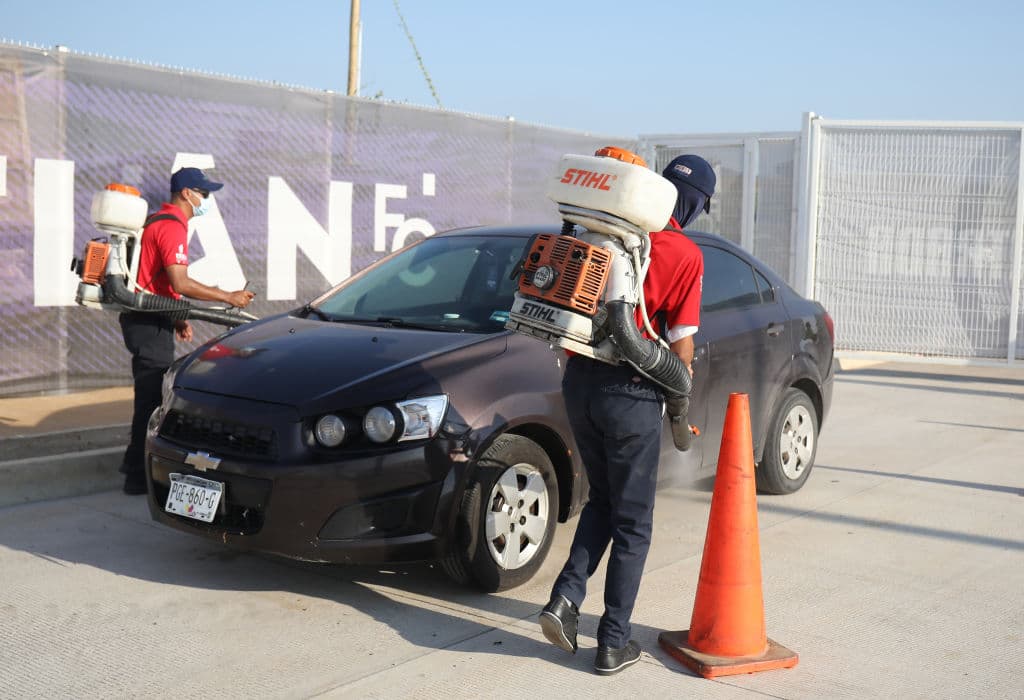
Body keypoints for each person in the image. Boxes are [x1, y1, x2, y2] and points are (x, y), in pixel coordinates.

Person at [539, 154, 716, 675]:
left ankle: (564, 600)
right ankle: (613, 641)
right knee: (634, 522)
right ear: (697, 203)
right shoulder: (684, 254)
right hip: (633, 395)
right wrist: (680, 406)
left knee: (602, 501)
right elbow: (681, 348)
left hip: (579, 382)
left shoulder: (599, 235)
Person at [119, 167, 255, 495]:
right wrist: (229, 295)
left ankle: (131, 466)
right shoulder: (171, 226)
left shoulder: (161, 221)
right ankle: (137, 478)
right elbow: (179, 282)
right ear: (186, 194)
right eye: (203, 194)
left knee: (150, 397)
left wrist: (177, 318)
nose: (205, 200)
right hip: (148, 323)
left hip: (151, 319)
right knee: (151, 401)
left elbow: (158, 281)